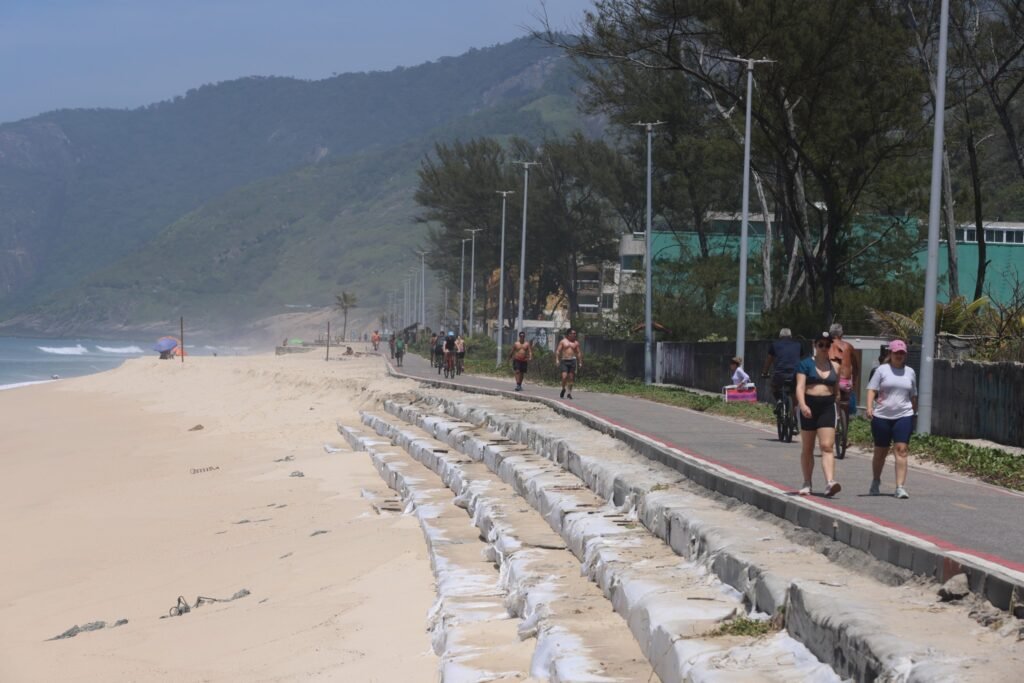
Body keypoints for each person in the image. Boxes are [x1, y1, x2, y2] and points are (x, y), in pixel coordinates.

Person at [866, 340, 917, 499]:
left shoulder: (910, 372)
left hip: (904, 415)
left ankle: (900, 487)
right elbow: (871, 390)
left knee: (901, 450)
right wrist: (869, 408)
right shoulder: (882, 370)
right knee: (881, 451)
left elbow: (913, 394)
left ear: (905, 355)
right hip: (882, 416)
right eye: (896, 353)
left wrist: (913, 412)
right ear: (891, 353)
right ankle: (875, 481)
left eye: (902, 353)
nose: (899, 355)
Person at [795, 331, 842, 497]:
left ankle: (830, 482)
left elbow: (836, 390)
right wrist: (802, 405)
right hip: (809, 405)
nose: (824, 348)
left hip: (827, 406)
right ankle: (807, 482)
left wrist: (839, 403)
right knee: (807, 447)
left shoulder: (835, 366)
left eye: (827, 345)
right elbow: (800, 387)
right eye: (821, 344)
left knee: (827, 446)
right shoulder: (805, 364)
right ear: (815, 345)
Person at [829, 323, 861, 453]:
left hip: (831, 382)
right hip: (846, 382)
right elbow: (856, 366)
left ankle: (828, 431)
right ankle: (845, 438)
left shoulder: (825, 345)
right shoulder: (849, 346)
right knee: (845, 408)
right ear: (842, 334)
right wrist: (854, 381)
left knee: (827, 405)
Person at [761, 328, 803, 413]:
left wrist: (764, 372)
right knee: (795, 392)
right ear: (791, 336)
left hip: (780, 374)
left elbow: (768, 360)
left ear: (780, 336)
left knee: (774, 386)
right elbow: (800, 359)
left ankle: (779, 400)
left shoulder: (774, 345)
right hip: (795, 374)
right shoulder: (798, 345)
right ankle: (795, 415)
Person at [555, 328, 583, 399]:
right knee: (564, 377)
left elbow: (578, 353)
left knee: (571, 378)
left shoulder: (576, 343)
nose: (574, 335)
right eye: (573, 333)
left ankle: (569, 393)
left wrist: (580, 362)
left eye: (575, 334)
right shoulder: (563, 341)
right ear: (569, 334)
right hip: (564, 361)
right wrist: (557, 360)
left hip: (573, 361)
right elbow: (558, 351)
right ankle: (563, 388)